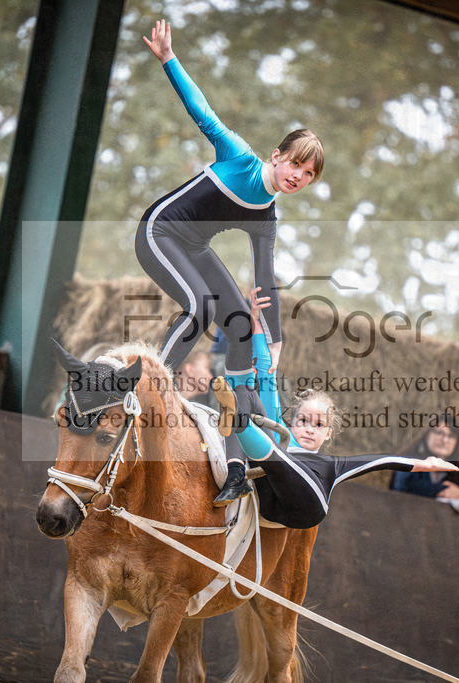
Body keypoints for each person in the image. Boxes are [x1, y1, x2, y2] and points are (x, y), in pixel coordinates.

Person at [138, 20, 324, 505]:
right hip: (159, 233)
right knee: (201, 306)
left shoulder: (267, 218)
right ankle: (150, 387)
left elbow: (265, 280)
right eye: (295, 164)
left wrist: (275, 341)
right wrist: (169, 60)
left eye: (308, 174)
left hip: (194, 248)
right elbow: (202, 112)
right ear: (276, 156)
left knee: (241, 325)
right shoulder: (238, 156)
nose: (298, 176)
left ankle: (237, 464)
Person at [211, 288, 459, 528]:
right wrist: (254, 320)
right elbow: (266, 369)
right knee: (246, 392)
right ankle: (237, 418)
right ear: (292, 422)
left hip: (306, 507)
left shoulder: (333, 464)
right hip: (271, 500)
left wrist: (425, 463)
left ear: (329, 433)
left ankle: (238, 422)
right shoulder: (281, 433)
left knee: (278, 454)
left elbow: (379, 461)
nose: (309, 429)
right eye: (303, 422)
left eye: (319, 425)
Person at [390, 421, 459, 512]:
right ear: (427, 435)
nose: (444, 440)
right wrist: (447, 492)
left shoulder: (457, 472)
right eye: (439, 433)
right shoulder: (410, 460)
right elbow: (403, 485)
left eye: (451, 436)